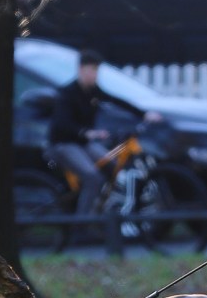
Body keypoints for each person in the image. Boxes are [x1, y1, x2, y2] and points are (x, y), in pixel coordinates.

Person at [47, 49, 160, 215]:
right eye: (91, 70)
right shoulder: (67, 94)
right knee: (93, 178)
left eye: (96, 71)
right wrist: (86, 133)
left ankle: (99, 209)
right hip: (64, 144)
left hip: (83, 144)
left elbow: (115, 100)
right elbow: (62, 124)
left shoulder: (93, 91)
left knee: (113, 167)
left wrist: (144, 114)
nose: (95, 75)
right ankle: (82, 226)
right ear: (81, 70)